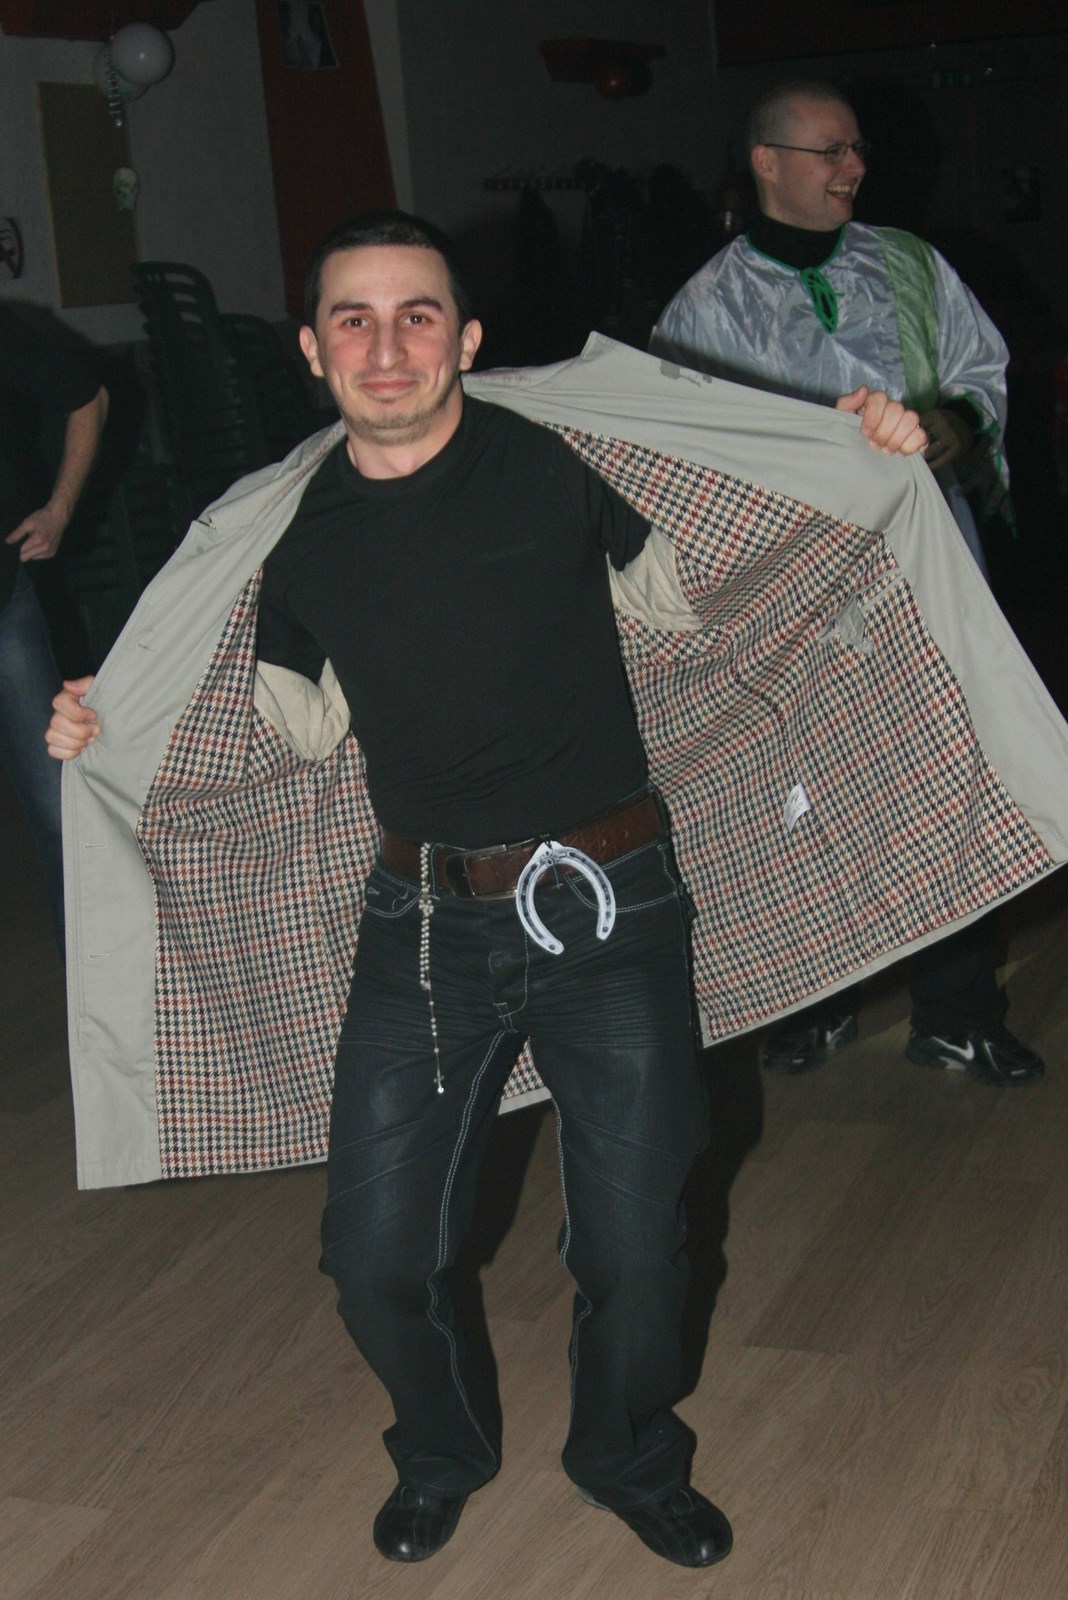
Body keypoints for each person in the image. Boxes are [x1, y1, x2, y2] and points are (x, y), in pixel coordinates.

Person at [46, 211, 929, 1570]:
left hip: (614, 904)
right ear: (310, 350)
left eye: (416, 315)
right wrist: (106, 724)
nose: (384, 346)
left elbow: (720, 555)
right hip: (423, 931)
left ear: (465, 338)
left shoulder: (569, 459)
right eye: (351, 318)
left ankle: (627, 1453)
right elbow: (272, 727)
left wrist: (863, 440)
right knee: (373, 1256)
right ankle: (442, 1450)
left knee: (639, 1253)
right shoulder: (287, 534)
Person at [650, 81, 1042, 1087]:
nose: (854, 167)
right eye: (829, 151)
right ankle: (814, 1001)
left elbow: (983, 371)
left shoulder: (910, 265)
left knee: (950, 773)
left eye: (857, 148)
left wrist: (954, 424)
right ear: (766, 163)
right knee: (804, 792)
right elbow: (680, 462)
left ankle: (957, 1012)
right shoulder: (705, 308)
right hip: (799, 592)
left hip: (923, 559)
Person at [0, 303, 107, 944]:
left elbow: (88, 396)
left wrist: (59, 510)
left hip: (4, 604)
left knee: (57, 803)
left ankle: (95, 989)